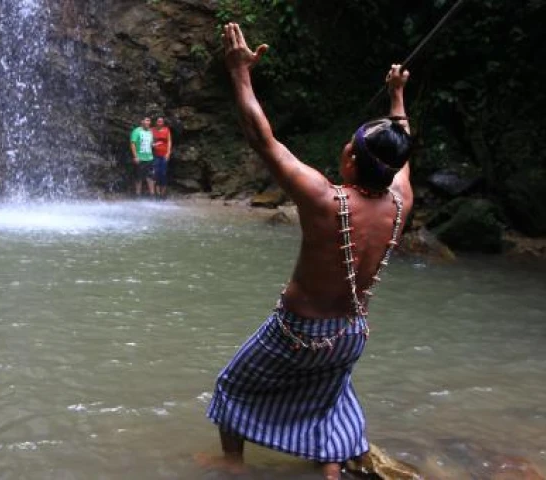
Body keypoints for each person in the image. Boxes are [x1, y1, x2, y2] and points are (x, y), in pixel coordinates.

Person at [200, 23, 414, 480]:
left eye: (348, 146)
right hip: (351, 332)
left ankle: (233, 465)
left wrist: (239, 72)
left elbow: (263, 139)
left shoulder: (324, 199)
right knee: (324, 400)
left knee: (232, 388)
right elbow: (403, 153)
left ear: (352, 160)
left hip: (296, 332)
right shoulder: (401, 201)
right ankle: (330, 470)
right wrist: (397, 97)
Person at [130, 116, 156, 197]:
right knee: (138, 177)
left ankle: (152, 195)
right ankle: (138, 195)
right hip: (140, 158)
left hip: (149, 158)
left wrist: (153, 145)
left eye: (149, 121)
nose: (149, 122)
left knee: (151, 177)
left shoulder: (150, 132)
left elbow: (151, 143)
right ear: (142, 122)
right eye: (147, 120)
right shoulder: (136, 131)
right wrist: (135, 156)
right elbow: (132, 143)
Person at [151, 117, 172, 198]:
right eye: (158, 121)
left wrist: (168, 153)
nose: (160, 123)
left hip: (164, 155)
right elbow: (150, 140)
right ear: (156, 122)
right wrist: (153, 145)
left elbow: (169, 141)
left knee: (163, 173)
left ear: (163, 122)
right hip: (156, 155)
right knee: (156, 173)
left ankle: (163, 194)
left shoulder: (166, 130)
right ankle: (158, 193)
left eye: (161, 121)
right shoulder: (152, 130)